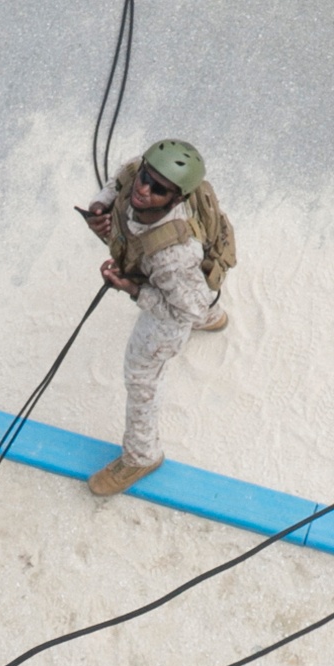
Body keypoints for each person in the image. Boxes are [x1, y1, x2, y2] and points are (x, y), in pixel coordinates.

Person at [81, 139, 230, 497]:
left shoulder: (173, 256)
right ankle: (214, 316)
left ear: (176, 198)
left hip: (178, 298)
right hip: (185, 287)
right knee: (192, 298)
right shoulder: (144, 170)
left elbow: (186, 310)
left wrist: (132, 289)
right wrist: (100, 204)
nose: (144, 189)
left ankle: (141, 455)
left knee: (141, 373)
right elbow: (121, 178)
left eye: (158, 190)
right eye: (146, 177)